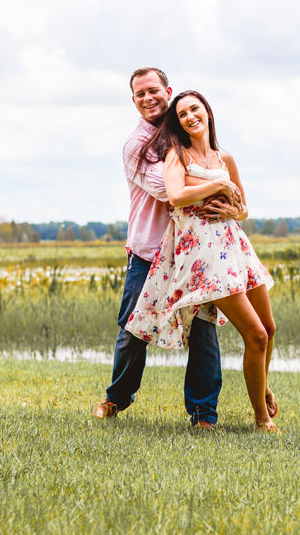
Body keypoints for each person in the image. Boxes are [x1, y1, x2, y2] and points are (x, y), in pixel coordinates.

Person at [124, 90, 280, 433]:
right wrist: (217, 186)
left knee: (269, 329)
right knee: (255, 336)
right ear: (178, 123)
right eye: (181, 114)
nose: (189, 116)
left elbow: (243, 208)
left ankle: (263, 385)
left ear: (207, 112)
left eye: (195, 109)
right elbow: (177, 196)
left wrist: (232, 207)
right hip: (204, 254)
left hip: (235, 245)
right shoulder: (176, 155)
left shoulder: (226, 158)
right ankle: (261, 419)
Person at [92, 68, 233, 430]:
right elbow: (170, 191)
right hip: (148, 249)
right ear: (134, 101)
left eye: (153, 90)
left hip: (192, 251)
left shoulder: (185, 132)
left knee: (203, 329)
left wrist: (226, 194)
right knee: (133, 330)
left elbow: (209, 178)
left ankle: (204, 414)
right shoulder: (135, 147)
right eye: (139, 94)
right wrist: (217, 180)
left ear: (167, 91)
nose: (147, 98)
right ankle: (116, 398)